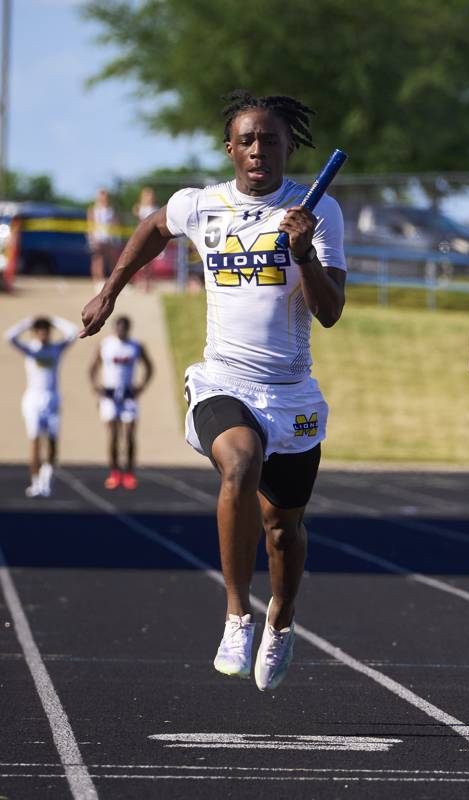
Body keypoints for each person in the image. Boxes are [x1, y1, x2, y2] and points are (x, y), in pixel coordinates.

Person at [81, 91, 347, 692]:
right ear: (230, 149)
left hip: (290, 393)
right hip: (223, 380)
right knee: (240, 463)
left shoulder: (318, 211)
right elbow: (154, 228)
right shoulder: (201, 206)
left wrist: (303, 253)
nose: (258, 150)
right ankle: (236, 616)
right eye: (247, 140)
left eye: (270, 140)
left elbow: (330, 312)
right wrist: (110, 290)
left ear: (288, 146)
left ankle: (281, 619)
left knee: (282, 530)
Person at [6, 315, 78, 497]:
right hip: (33, 399)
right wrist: (28, 322)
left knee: (52, 443)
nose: (43, 334)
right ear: (36, 333)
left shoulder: (56, 349)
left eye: (46, 331)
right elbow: (9, 337)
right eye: (40, 331)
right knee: (35, 441)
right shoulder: (31, 349)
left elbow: (73, 333)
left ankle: (47, 481)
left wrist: (54, 320)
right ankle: (35, 482)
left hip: (52, 398)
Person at [89, 315, 154, 490]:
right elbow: (93, 368)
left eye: (124, 328)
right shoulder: (105, 345)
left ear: (128, 329)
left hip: (128, 395)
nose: (121, 331)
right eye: (118, 327)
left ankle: (129, 472)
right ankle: (115, 472)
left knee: (129, 434)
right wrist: (96, 386)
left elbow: (149, 367)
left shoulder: (135, 346)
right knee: (113, 435)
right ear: (114, 328)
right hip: (110, 395)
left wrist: (142, 386)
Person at [87, 188, 120, 284]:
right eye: (101, 194)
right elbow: (90, 224)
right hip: (97, 238)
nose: (103, 197)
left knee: (112, 260)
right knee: (97, 259)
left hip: (109, 238)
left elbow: (115, 224)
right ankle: (98, 281)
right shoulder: (93, 209)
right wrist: (92, 238)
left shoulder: (111, 210)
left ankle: (113, 280)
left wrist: (115, 238)